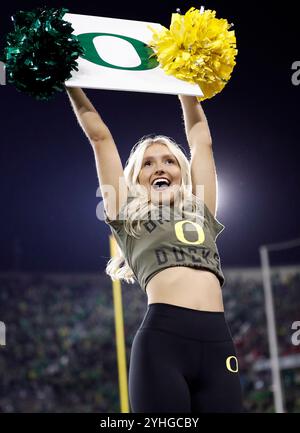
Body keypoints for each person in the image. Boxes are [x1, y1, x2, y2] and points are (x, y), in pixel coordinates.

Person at [65, 86, 243, 413]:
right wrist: (70, 80)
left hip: (219, 342)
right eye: (147, 164)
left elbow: (201, 139)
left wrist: (186, 86)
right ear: (135, 180)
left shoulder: (201, 208)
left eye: (169, 161)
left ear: (182, 172)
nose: (159, 168)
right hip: (163, 343)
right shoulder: (126, 214)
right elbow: (100, 138)